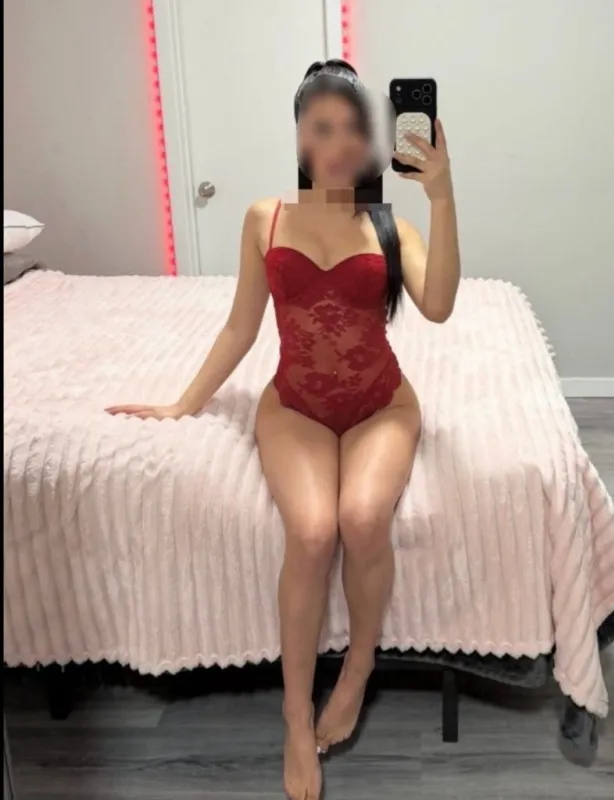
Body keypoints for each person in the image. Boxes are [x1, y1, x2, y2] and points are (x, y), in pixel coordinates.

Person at [107, 60, 460, 800]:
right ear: (300, 136)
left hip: (381, 403)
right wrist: (182, 404)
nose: (337, 143)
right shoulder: (264, 219)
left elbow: (437, 306)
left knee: (363, 518)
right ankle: (295, 716)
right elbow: (241, 327)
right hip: (295, 405)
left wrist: (441, 194)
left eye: (351, 128)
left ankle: (358, 669)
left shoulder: (390, 225)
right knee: (312, 531)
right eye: (321, 127)